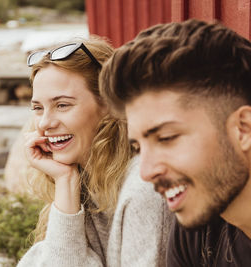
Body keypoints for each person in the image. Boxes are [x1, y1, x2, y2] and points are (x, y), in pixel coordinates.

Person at [100, 19, 251, 266]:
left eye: (166, 138)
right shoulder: (197, 225)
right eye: (138, 148)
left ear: (243, 128)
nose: (147, 172)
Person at [17, 37, 172, 267]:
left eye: (62, 105)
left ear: (109, 104)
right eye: (38, 108)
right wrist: (66, 181)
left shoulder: (144, 185)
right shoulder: (83, 180)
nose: (44, 123)